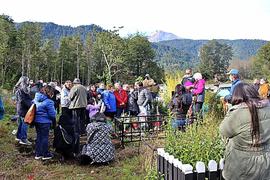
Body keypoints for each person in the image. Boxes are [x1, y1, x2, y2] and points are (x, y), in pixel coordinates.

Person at [219, 83, 270, 180]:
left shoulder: (237, 113)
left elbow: (223, 131)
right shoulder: (268, 108)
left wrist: (231, 110)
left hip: (241, 167)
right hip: (265, 166)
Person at [33, 85, 56, 160]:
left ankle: (38, 154)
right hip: (45, 122)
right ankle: (45, 154)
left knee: (39, 137)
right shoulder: (49, 102)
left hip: (36, 121)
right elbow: (52, 114)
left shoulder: (36, 99)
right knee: (45, 138)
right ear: (50, 92)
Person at [14, 76, 32, 145]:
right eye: (27, 80)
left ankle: (18, 136)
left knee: (21, 123)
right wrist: (31, 105)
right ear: (24, 81)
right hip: (23, 109)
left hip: (21, 108)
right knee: (25, 123)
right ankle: (23, 139)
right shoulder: (22, 89)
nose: (28, 81)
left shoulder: (20, 89)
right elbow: (23, 100)